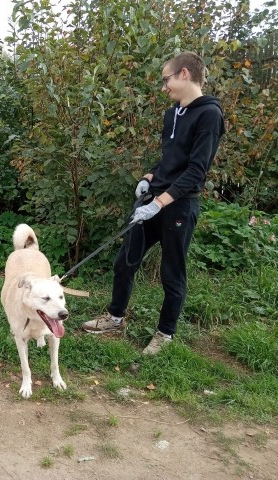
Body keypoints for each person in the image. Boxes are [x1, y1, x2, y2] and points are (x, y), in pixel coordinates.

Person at [81, 52, 225, 355]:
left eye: (166, 79)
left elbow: (196, 171)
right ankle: (115, 318)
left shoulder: (209, 115)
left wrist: (160, 202)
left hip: (178, 206)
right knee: (125, 261)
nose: (164, 86)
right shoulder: (173, 114)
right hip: (152, 200)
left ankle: (165, 333)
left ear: (184, 74)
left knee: (172, 273)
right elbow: (170, 158)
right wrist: (150, 176)